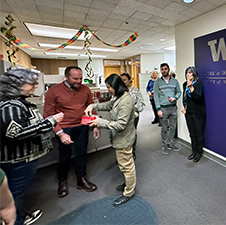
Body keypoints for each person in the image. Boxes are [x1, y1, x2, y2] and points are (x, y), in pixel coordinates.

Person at [0, 69, 64, 225]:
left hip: (21, 159)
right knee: (13, 197)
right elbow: (15, 134)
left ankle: (20, 217)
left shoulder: (17, 102)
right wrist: (49, 122)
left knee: (15, 194)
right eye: (32, 83)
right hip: (18, 161)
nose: (35, 86)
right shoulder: (10, 106)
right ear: (16, 85)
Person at [43, 66, 99, 198]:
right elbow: (48, 116)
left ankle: (81, 179)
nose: (79, 81)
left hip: (82, 125)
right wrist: (60, 133)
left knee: (82, 153)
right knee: (65, 155)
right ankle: (62, 181)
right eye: (75, 78)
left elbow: (90, 107)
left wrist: (95, 124)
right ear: (66, 77)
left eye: (81, 78)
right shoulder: (53, 91)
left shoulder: (85, 89)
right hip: (64, 128)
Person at [84, 74, 136, 207]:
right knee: (125, 165)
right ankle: (128, 183)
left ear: (116, 86)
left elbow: (120, 125)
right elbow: (109, 105)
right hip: (120, 138)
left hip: (124, 139)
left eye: (109, 87)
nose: (108, 90)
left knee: (127, 166)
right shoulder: (119, 96)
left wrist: (99, 122)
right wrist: (93, 106)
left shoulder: (126, 100)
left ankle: (128, 192)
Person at [154, 63, 181, 155]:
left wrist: (175, 98)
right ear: (160, 71)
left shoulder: (174, 81)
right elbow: (156, 96)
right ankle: (164, 145)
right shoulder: (157, 82)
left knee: (173, 127)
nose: (164, 71)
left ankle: (170, 143)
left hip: (173, 108)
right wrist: (158, 109)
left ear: (168, 70)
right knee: (164, 128)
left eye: (165, 69)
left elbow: (179, 92)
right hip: (163, 109)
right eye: (162, 69)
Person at [181, 66, 206, 162]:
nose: (188, 75)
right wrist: (183, 106)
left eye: (190, 73)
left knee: (198, 134)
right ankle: (194, 151)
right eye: (187, 73)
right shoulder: (184, 84)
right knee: (192, 133)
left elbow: (198, 98)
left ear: (194, 74)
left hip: (198, 113)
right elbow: (185, 97)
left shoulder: (198, 84)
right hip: (188, 113)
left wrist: (191, 87)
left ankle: (198, 153)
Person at [121, 72, 145, 160]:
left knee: (132, 133)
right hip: (122, 116)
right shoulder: (118, 91)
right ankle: (122, 153)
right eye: (121, 80)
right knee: (122, 134)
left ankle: (132, 151)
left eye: (124, 80)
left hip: (133, 116)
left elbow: (141, 102)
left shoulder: (135, 90)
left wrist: (134, 108)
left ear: (129, 80)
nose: (123, 82)